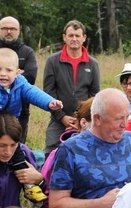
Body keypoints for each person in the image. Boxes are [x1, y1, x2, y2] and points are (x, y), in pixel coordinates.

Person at [0, 47, 62, 206]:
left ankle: (29, 187)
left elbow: (33, 93)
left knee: (18, 155)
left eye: (9, 70)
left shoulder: (20, 83)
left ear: (18, 71)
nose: (3, 74)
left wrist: (49, 102)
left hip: (6, 127)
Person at [43, 20, 100, 154]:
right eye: (71, 35)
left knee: (86, 154)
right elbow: (48, 92)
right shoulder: (53, 61)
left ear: (84, 38)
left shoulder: (92, 64)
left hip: (84, 120)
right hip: (58, 119)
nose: (74, 39)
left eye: (77, 36)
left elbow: (94, 94)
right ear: (64, 37)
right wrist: (62, 117)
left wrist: (81, 117)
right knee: (51, 153)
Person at [0, 16, 38, 142]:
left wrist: (2, 78)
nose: (8, 32)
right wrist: (15, 75)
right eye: (5, 28)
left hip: (21, 109)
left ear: (18, 31)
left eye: (12, 29)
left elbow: (30, 77)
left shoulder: (27, 52)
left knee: (17, 145)